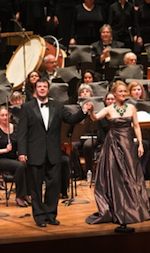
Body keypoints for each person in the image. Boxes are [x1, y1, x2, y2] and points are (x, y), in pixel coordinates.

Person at [17, 77, 91, 227]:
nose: (42, 89)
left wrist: (83, 111)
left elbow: (70, 119)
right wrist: (22, 152)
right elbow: (22, 132)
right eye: (40, 87)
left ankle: (51, 215)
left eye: (45, 86)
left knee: (53, 185)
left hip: (53, 152)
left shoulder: (57, 106)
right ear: (35, 89)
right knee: (35, 187)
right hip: (34, 152)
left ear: (48, 89)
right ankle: (39, 216)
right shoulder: (27, 107)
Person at [85, 80, 150, 225]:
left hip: (128, 144)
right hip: (113, 144)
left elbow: (136, 126)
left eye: (124, 91)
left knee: (132, 174)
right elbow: (95, 118)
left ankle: (135, 207)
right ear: (114, 94)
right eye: (120, 91)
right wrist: (91, 111)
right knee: (116, 176)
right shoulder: (109, 109)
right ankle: (118, 207)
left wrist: (140, 143)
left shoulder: (132, 108)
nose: (123, 93)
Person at [0, 106, 30, 207]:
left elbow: (22, 142)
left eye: (6, 115)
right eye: (2, 115)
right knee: (20, 166)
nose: (5, 117)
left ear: (10, 115)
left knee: (28, 163)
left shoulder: (15, 127)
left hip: (14, 158)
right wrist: (5, 150)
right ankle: (20, 196)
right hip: (2, 158)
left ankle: (26, 193)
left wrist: (21, 152)